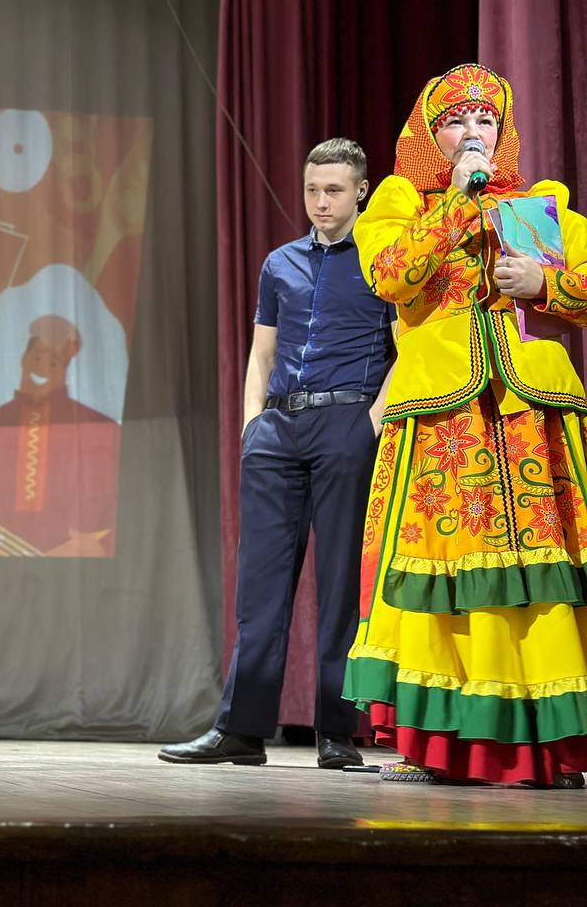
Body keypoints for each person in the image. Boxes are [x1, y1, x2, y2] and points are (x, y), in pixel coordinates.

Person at [342, 64, 587, 787]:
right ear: (431, 135)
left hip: (528, 417)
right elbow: (389, 275)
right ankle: (440, 743)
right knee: (443, 575)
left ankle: (554, 745)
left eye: (485, 120)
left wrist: (546, 284)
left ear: (502, 132)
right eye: (455, 121)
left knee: (542, 574)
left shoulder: (540, 205)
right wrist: (453, 203)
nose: (472, 131)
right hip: (442, 415)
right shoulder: (399, 201)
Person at [159, 138, 394, 770]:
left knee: (339, 584)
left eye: (334, 190)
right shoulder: (279, 263)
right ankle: (240, 730)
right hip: (277, 431)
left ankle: (336, 732)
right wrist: (251, 425)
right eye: (313, 189)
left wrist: (369, 424)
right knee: (260, 587)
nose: (321, 202)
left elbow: (406, 351)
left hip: (347, 423)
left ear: (361, 191)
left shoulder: (384, 262)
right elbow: (262, 353)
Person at [0, 314, 119, 557]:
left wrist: (97, 545)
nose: (42, 367)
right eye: (37, 356)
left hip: (76, 571)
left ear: (66, 369)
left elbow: (127, 511)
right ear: (23, 358)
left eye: (53, 361)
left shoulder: (103, 431)